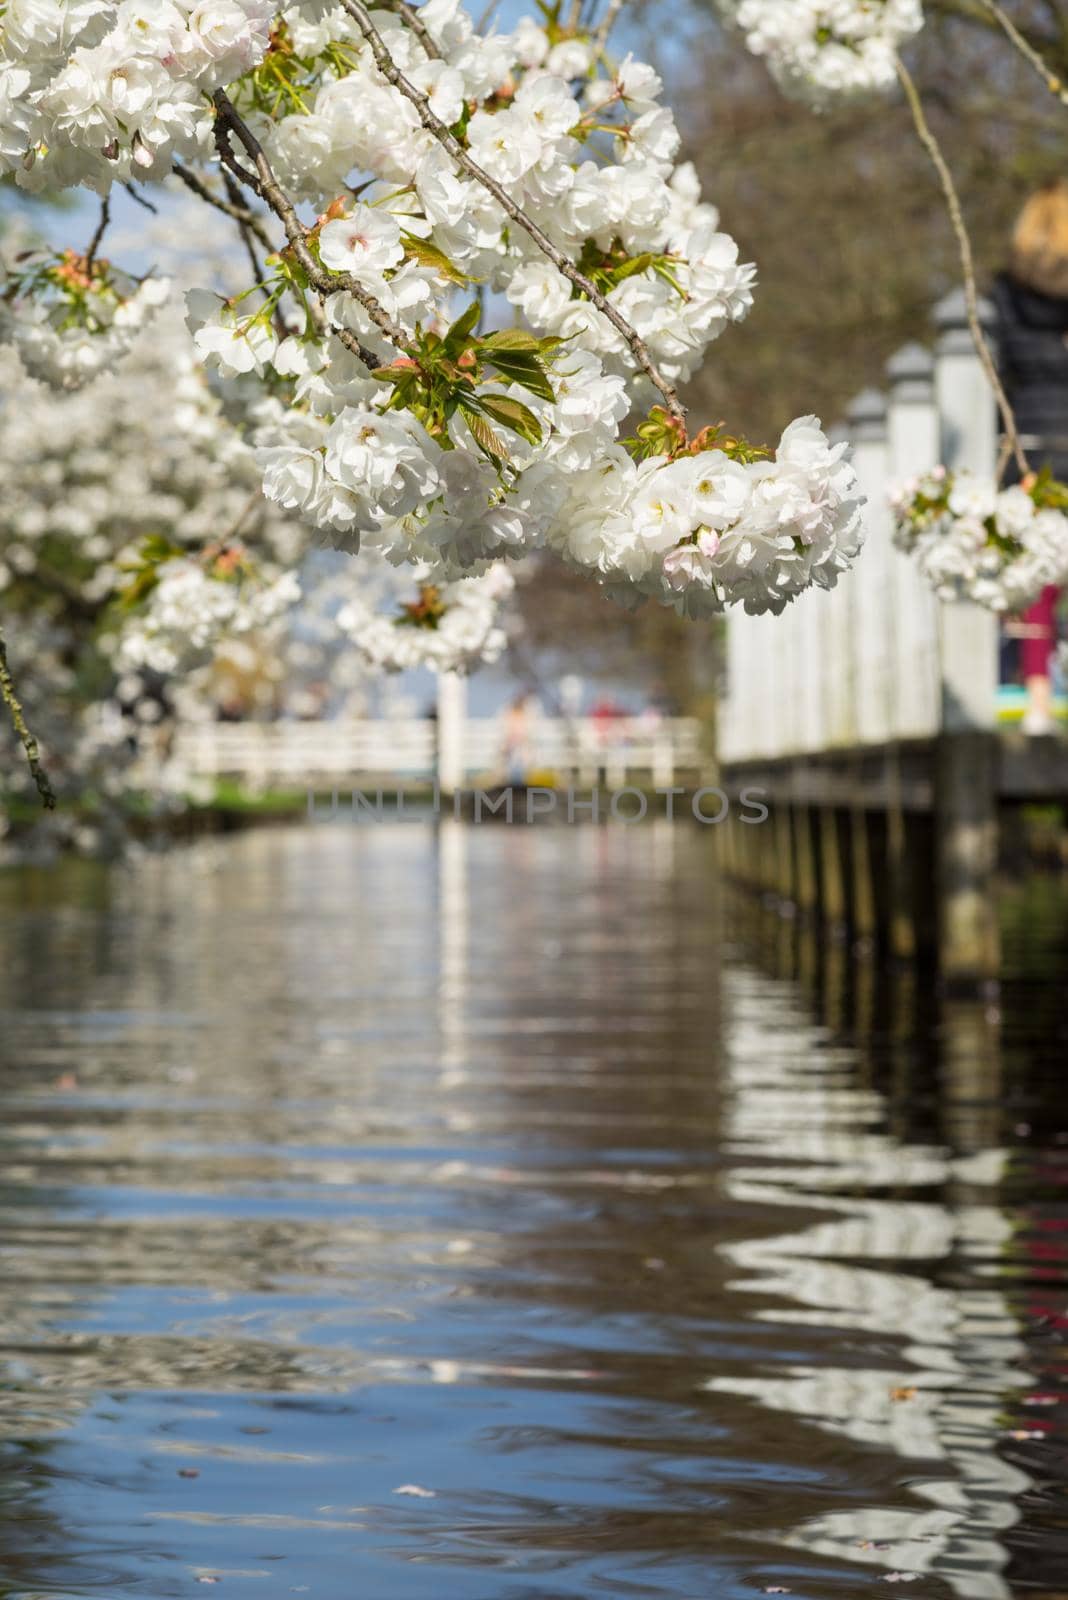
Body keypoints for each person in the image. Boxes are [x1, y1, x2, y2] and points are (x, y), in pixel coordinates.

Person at [992, 180, 1068, 734]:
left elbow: (1000, 374)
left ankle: (1037, 700)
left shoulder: (1004, 297)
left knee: (1037, 577)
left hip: (1031, 453)